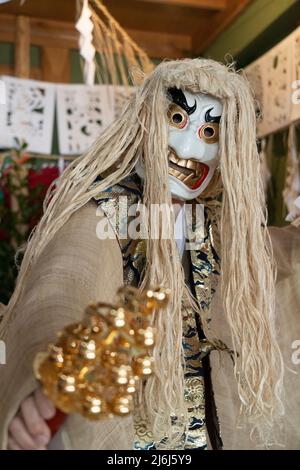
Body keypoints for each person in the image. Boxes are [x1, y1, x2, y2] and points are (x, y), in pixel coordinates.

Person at [0, 58, 298, 450]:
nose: (189, 147)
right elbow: (66, 283)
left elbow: (277, 261)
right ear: (144, 119)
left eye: (210, 131)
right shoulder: (104, 215)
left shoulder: (223, 231)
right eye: (177, 118)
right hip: (141, 435)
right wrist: (52, 364)